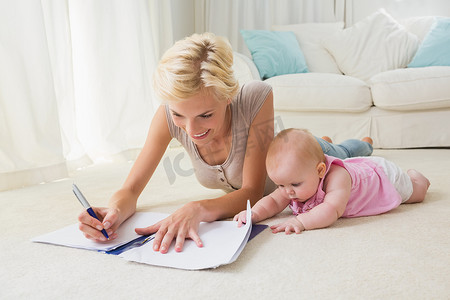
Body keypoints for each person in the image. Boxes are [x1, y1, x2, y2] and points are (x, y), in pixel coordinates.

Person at [78, 32, 374, 253]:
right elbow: (130, 189)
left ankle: (357, 142)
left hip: (305, 163)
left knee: (344, 154)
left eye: (205, 115)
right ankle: (324, 140)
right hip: (285, 161)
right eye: (180, 114)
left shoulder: (255, 97)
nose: (191, 129)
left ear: (228, 96)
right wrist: (115, 210)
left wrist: (197, 208)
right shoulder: (166, 116)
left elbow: (253, 191)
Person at [234, 128, 430, 234]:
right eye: (280, 185)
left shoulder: (337, 178)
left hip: (381, 177)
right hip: (359, 167)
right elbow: (274, 201)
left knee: (416, 194)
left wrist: (301, 221)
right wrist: (254, 214)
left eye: (294, 185)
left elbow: (332, 210)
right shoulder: (295, 179)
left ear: (320, 171)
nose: (287, 192)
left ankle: (416, 177)